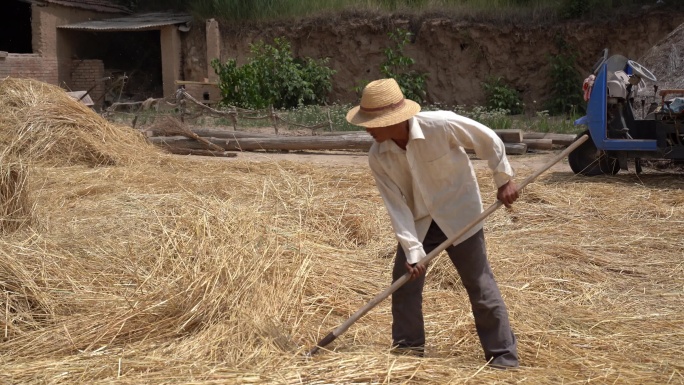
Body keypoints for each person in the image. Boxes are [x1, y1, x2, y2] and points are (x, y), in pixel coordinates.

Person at [346, 78, 520, 369]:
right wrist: (412, 251)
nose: (367, 129)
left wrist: (504, 180)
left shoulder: (440, 125)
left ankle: (503, 357)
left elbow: (487, 139)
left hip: (460, 214)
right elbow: (396, 206)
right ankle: (408, 352)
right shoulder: (378, 157)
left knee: (479, 284)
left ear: (393, 120)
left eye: (371, 123)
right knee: (403, 287)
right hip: (419, 223)